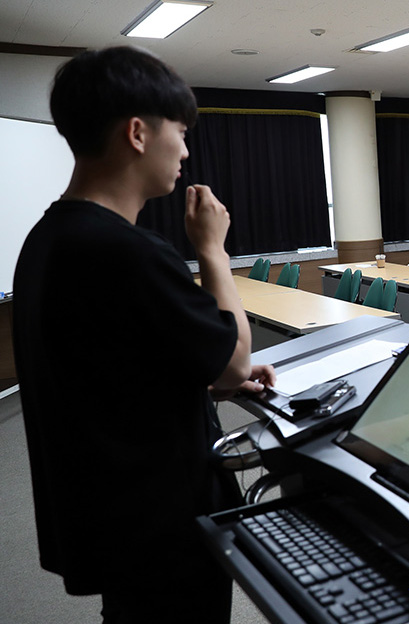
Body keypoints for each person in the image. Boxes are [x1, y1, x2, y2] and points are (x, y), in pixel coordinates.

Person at [14, 46, 275, 623]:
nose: (184, 150)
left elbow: (108, 373)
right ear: (138, 133)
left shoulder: (47, 239)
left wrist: (199, 384)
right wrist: (212, 248)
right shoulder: (124, 250)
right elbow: (235, 360)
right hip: (161, 528)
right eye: (180, 132)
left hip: (110, 521)